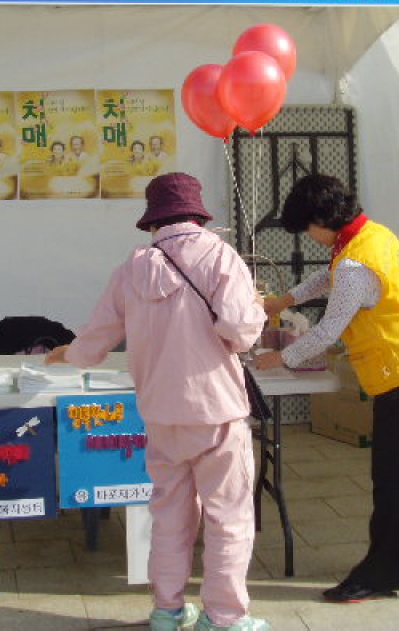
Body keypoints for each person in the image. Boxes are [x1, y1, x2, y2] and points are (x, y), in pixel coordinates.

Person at [45, 173, 269, 631]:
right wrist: (253, 311)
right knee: (228, 518)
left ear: (153, 221)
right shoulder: (220, 255)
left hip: (160, 413)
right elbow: (242, 332)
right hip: (216, 411)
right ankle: (224, 617)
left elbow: (94, 343)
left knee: (169, 515)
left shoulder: (131, 269)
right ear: (197, 214)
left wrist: (67, 353)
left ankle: (167, 610)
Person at [253, 173, 399, 604]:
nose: (310, 237)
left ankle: (380, 574)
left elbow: (328, 330)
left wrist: (281, 357)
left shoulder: (354, 264)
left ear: (322, 219)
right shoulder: (370, 236)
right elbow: (327, 278)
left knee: (394, 479)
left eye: (308, 228)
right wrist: (283, 301)